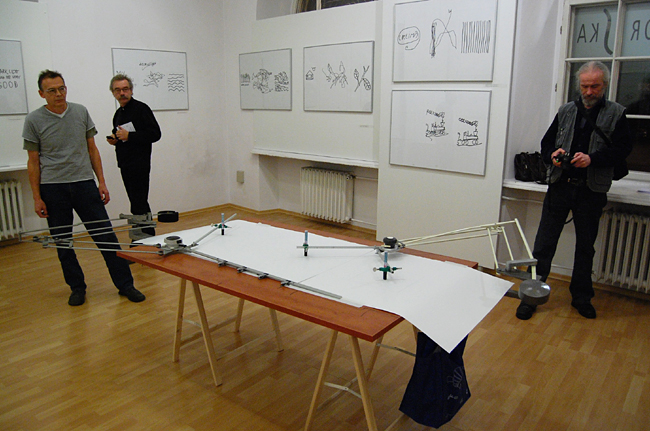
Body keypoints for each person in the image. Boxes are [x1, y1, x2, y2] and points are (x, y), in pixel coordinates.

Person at [516, 61, 632, 320]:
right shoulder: (566, 110)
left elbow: (623, 150)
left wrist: (592, 159)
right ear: (579, 85)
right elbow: (546, 144)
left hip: (591, 190)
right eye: (585, 86)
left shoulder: (617, 113)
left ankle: (581, 297)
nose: (589, 92)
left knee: (585, 247)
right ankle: (531, 296)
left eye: (595, 86)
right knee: (543, 245)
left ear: (604, 85)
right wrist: (553, 155)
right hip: (560, 186)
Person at [23, 70, 145, 306]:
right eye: (52, 90)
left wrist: (102, 181)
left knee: (106, 236)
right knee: (63, 242)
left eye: (62, 88)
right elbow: (33, 161)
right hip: (53, 188)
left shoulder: (80, 112)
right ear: (41, 93)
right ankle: (77, 287)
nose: (59, 94)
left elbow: (92, 149)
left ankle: (125, 285)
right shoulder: (33, 120)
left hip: (84, 184)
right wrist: (37, 197)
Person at [106, 74, 161, 238]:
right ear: (113, 93)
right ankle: (144, 236)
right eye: (117, 90)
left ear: (131, 90)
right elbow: (120, 134)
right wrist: (115, 139)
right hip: (125, 163)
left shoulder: (141, 109)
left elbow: (155, 134)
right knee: (136, 202)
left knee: (139, 202)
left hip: (139, 164)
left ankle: (143, 238)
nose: (122, 93)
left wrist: (130, 136)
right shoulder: (118, 113)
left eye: (125, 89)